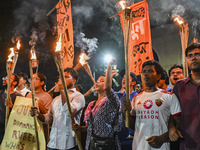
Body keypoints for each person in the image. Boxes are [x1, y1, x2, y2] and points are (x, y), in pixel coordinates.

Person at [128, 60, 182, 150]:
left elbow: (179, 124)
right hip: (139, 146)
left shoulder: (169, 96)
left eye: (150, 71)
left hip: (161, 147)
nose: (146, 74)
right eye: (144, 71)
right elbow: (132, 126)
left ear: (158, 76)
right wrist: (125, 112)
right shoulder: (136, 98)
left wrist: (162, 138)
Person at [72, 59, 122, 150]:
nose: (98, 82)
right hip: (91, 144)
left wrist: (109, 66)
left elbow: (108, 89)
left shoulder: (111, 100)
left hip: (106, 145)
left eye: (102, 81)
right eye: (98, 81)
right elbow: (90, 126)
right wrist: (81, 128)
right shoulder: (92, 104)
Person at [30, 68, 85, 150]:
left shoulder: (78, 96)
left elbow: (69, 111)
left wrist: (62, 89)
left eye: (65, 77)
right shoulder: (56, 99)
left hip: (69, 144)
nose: (61, 79)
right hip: (53, 143)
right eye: (60, 77)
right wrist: (38, 114)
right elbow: (48, 118)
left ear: (74, 81)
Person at [173, 43, 200, 150]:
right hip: (188, 143)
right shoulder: (179, 86)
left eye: (197, 54)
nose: (193, 58)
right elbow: (172, 112)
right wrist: (172, 128)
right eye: (190, 56)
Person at [26, 73, 53, 145]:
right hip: (28, 129)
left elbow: (49, 118)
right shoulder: (28, 95)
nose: (32, 81)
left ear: (42, 82)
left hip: (41, 131)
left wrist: (39, 104)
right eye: (31, 79)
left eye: (35, 79)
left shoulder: (47, 97)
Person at [115, 71, 138, 150]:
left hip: (133, 137)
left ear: (133, 82)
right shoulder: (120, 96)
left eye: (126, 78)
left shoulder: (137, 97)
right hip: (120, 135)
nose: (123, 80)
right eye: (123, 78)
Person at [0, 74, 20, 144]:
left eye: (9, 78)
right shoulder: (0, 94)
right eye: (5, 77)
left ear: (15, 82)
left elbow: (20, 116)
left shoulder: (19, 97)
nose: (5, 79)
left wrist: (12, 107)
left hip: (11, 131)